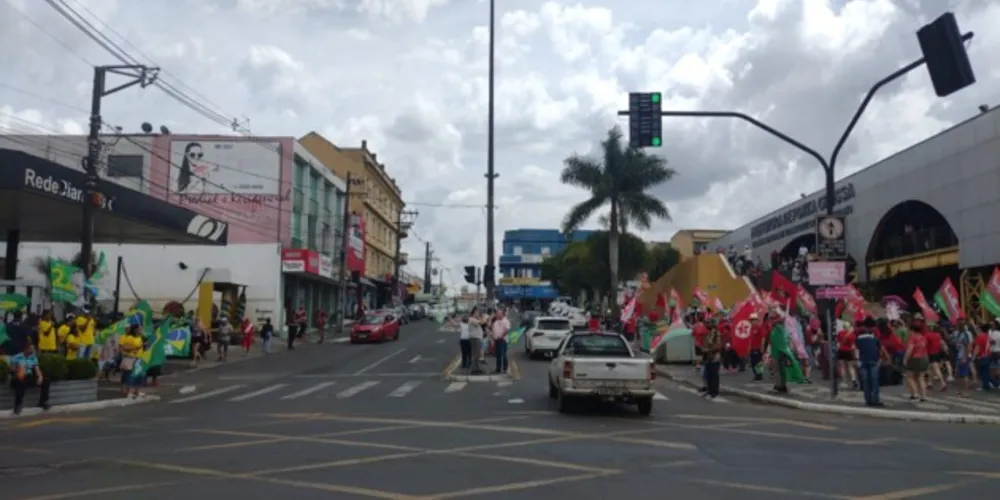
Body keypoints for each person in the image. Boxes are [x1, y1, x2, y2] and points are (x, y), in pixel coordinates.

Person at [8, 343, 50, 415]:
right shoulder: (16, 357)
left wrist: (40, 377)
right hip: (17, 376)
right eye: (31, 348)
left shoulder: (33, 357)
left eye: (33, 349)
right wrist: (18, 368)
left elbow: (37, 369)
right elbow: (11, 369)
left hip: (28, 376)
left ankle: (42, 402)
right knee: (20, 383)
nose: (33, 350)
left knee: (45, 381)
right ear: (26, 349)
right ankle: (17, 406)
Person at [854, 317, 884, 407]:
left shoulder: (858, 338)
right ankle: (875, 399)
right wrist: (880, 359)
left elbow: (855, 349)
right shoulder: (874, 338)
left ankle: (868, 399)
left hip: (863, 361)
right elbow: (879, 349)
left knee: (866, 381)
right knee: (874, 381)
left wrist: (857, 360)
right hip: (874, 360)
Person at [903, 318, 930, 402]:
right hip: (924, 358)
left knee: (910, 377)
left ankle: (914, 394)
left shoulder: (912, 338)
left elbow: (910, 349)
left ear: (911, 330)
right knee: (920, 378)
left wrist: (905, 359)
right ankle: (924, 396)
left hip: (914, 358)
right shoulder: (923, 338)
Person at [117, 324, 144, 399]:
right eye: (140, 329)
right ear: (135, 330)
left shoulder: (140, 337)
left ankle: (137, 391)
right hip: (131, 358)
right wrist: (135, 348)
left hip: (139, 358)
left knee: (139, 375)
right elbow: (125, 348)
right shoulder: (129, 337)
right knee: (129, 376)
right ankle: (129, 392)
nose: (141, 330)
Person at [701, 318, 722, 398]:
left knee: (714, 375)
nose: (706, 325)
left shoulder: (717, 333)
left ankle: (714, 391)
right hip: (708, 356)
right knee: (708, 375)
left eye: (708, 323)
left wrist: (708, 349)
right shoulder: (707, 333)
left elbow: (718, 345)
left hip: (715, 356)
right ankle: (709, 390)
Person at [491, 308, 511, 375]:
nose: (497, 315)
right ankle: (498, 369)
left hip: (503, 340)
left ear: (502, 314)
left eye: (498, 314)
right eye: (496, 314)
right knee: (498, 355)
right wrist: (493, 337)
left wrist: (501, 336)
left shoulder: (506, 321)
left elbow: (507, 330)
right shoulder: (496, 321)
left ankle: (505, 369)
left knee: (504, 355)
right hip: (496, 340)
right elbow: (493, 330)